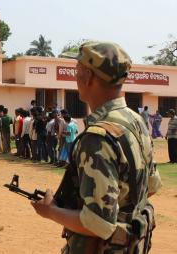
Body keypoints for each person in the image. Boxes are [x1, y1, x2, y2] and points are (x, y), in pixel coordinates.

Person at [31, 41, 162, 253]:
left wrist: (51, 211)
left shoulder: (97, 137)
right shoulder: (136, 121)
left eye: (77, 70)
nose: (75, 77)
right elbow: (152, 184)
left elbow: (98, 223)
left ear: (88, 76)